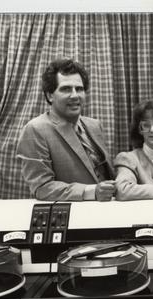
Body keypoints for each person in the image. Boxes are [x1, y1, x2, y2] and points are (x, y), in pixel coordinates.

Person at [17, 58, 115, 201]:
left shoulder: (95, 126)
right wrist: (92, 191)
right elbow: (42, 187)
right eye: (66, 89)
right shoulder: (35, 129)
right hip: (73, 217)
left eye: (79, 89)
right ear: (50, 95)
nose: (75, 95)